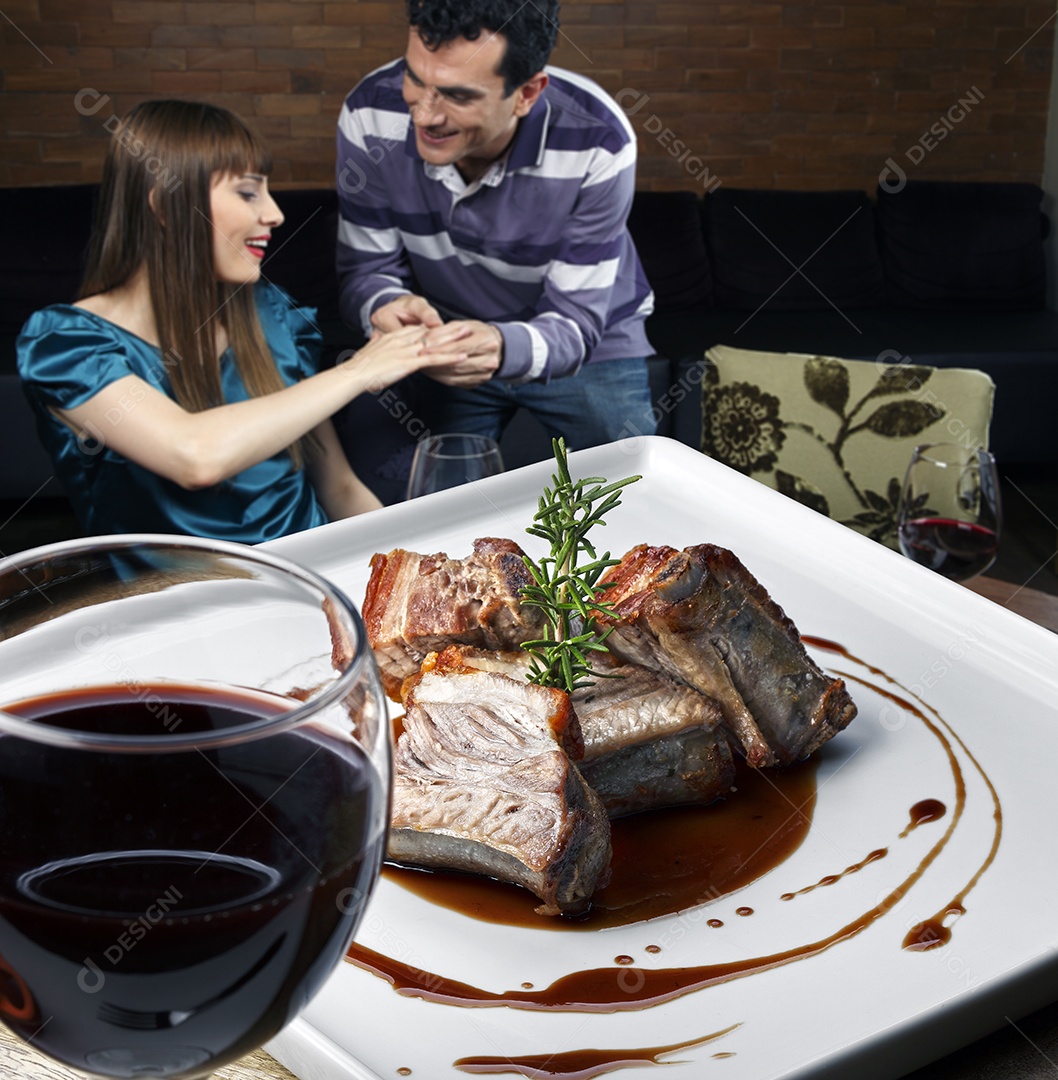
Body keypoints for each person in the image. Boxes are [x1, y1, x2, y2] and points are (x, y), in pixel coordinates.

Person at [17, 99, 464, 542]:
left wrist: (411, 566)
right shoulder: (68, 344)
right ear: (168, 206)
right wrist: (360, 369)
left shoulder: (273, 314)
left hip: (312, 573)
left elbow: (340, 488)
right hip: (180, 588)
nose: (275, 214)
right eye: (249, 193)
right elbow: (196, 457)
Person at [335, 0, 658, 458]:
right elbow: (365, 272)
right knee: (438, 494)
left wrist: (504, 346)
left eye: (458, 96)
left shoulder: (600, 140)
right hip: (452, 341)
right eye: (414, 78)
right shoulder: (369, 113)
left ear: (527, 93)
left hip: (592, 342)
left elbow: (577, 319)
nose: (423, 116)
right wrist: (385, 306)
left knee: (629, 483)